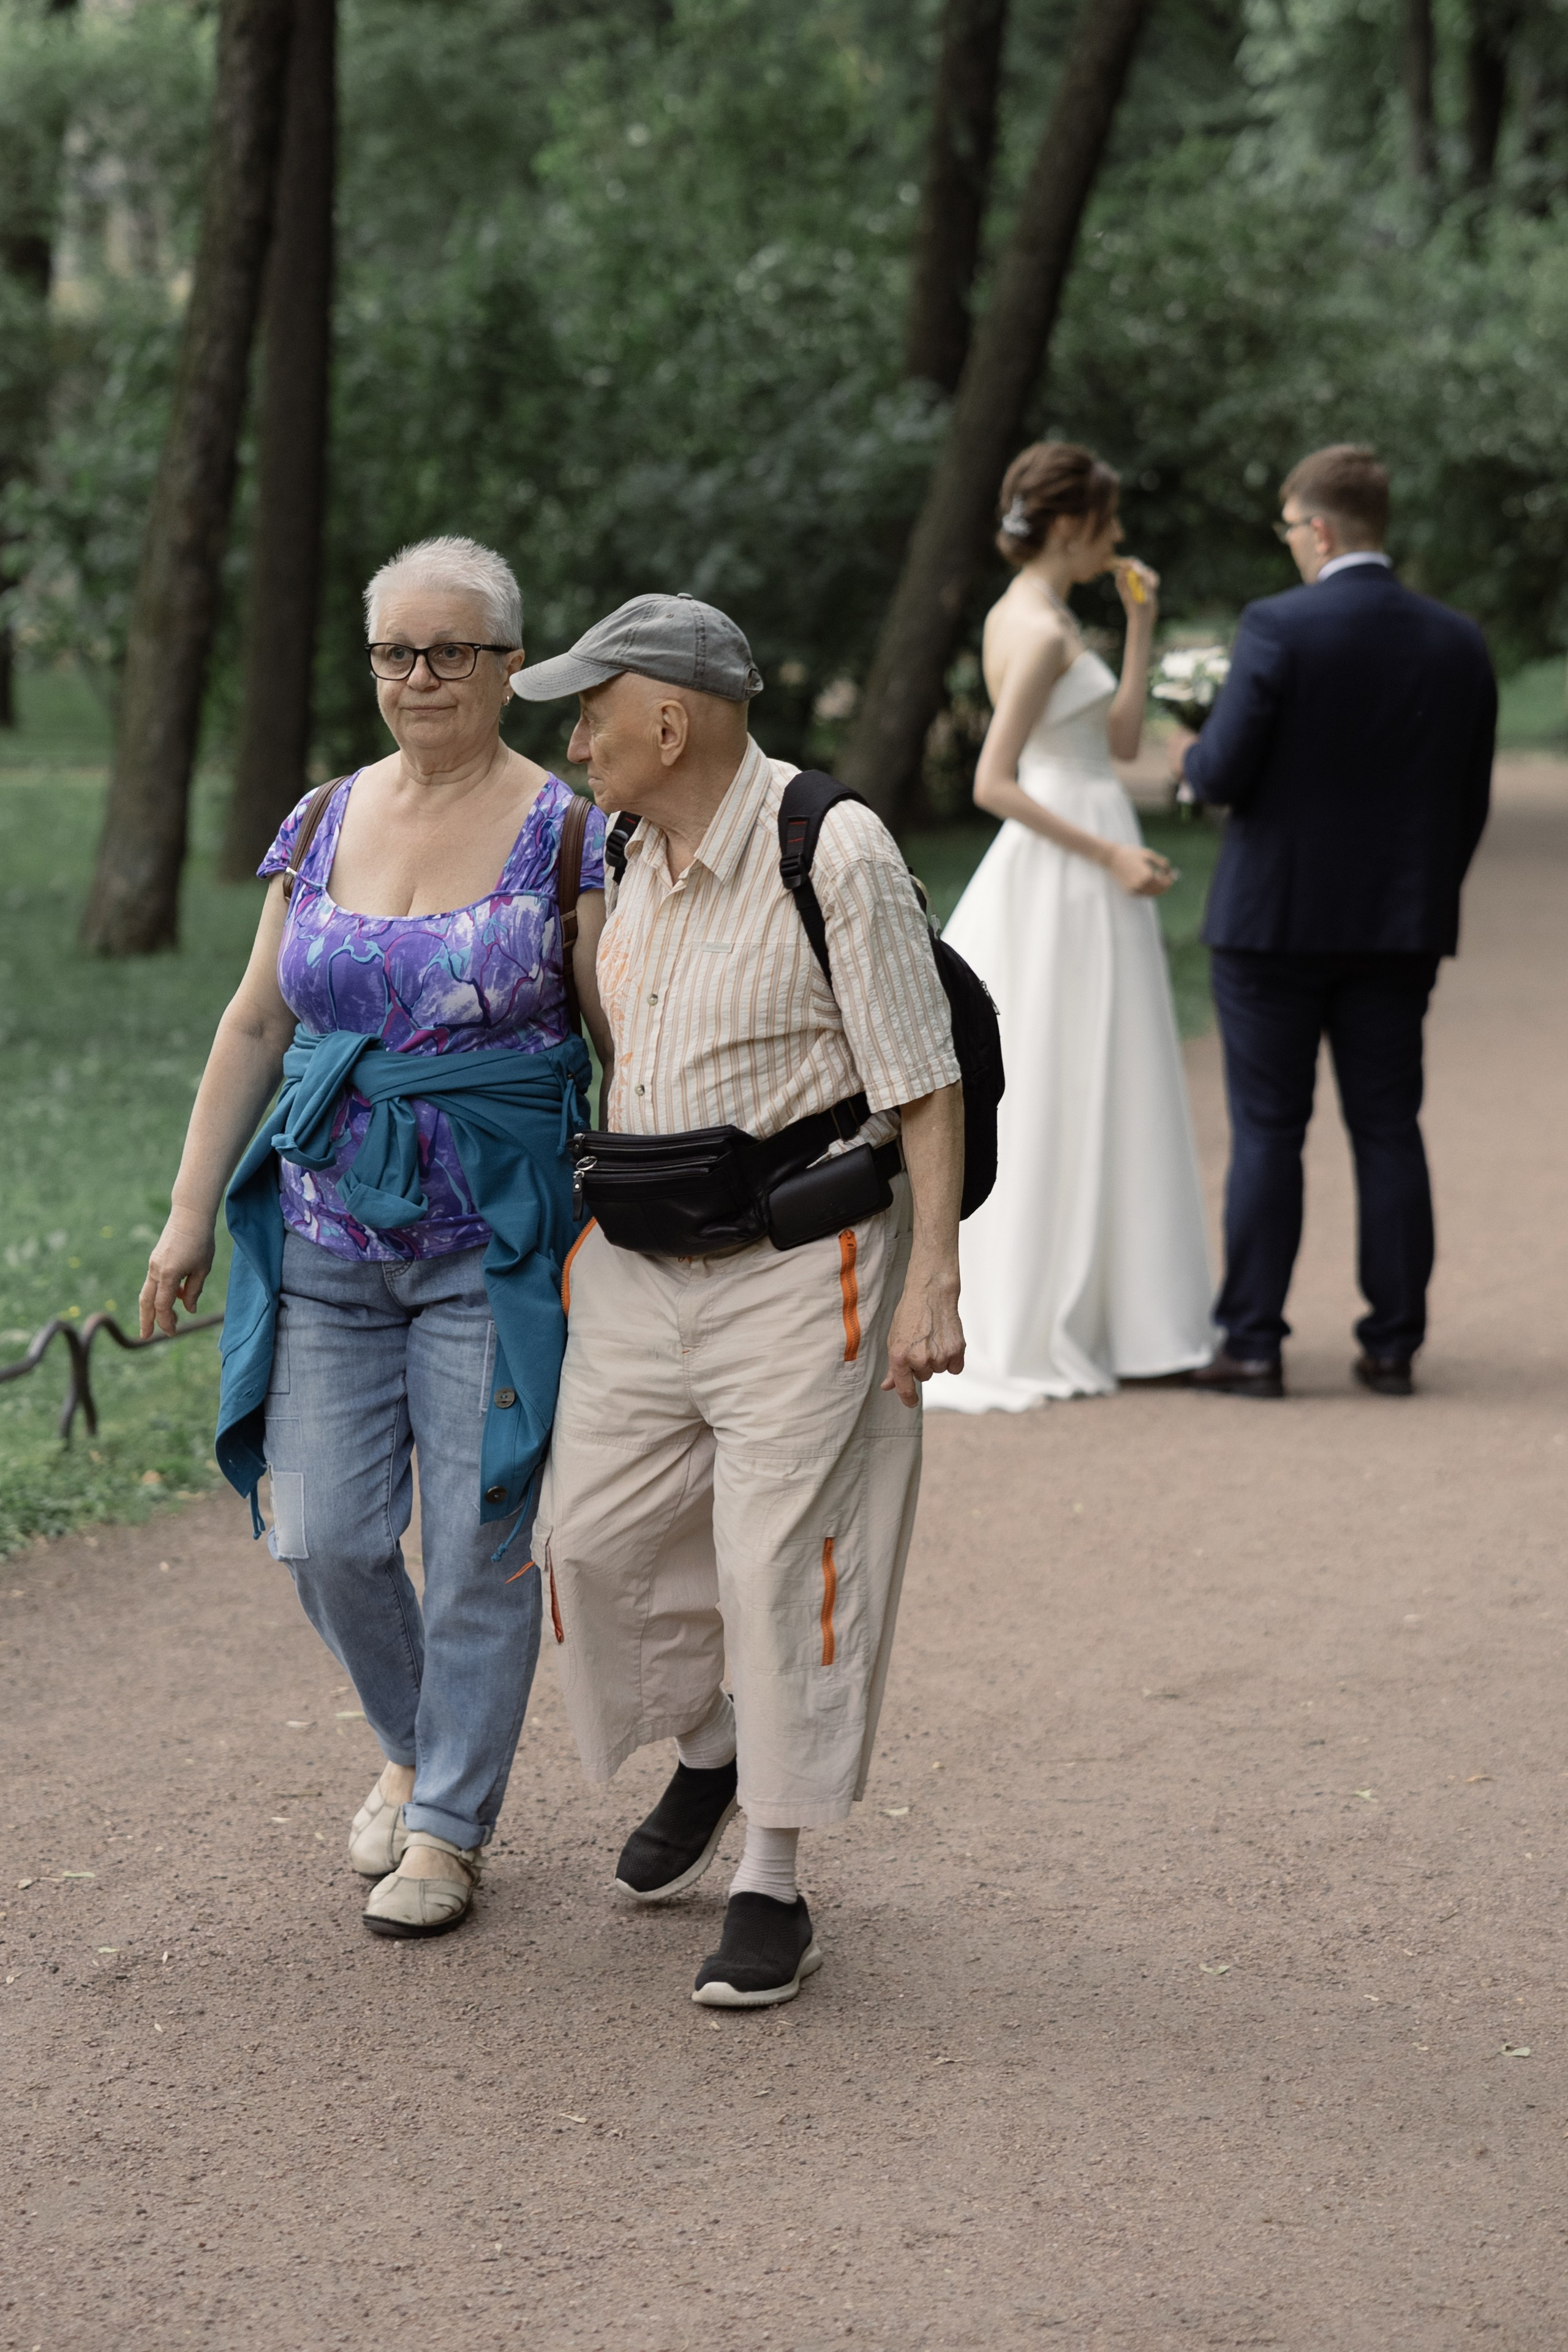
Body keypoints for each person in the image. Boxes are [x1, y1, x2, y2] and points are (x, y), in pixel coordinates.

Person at [139, 535, 612, 1937]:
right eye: (396, 652)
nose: (419, 676)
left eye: (450, 652)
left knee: (478, 1544)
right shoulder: (320, 816)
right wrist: (184, 1217)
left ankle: (449, 1828)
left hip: (495, 1242)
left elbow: (614, 1036)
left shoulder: (566, 830)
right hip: (324, 1232)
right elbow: (255, 1020)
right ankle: (414, 1748)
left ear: (509, 668)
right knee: (326, 1534)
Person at [513, 591, 965, 2008]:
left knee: (782, 1561)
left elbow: (923, 1082)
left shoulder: (832, 846)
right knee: (584, 1541)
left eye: (592, 708)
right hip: (646, 1265)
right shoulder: (621, 853)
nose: (575, 736)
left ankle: (771, 1874)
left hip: (799, 1268)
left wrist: (930, 1284)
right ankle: (711, 1745)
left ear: (671, 716)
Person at [1177, 445, 1496, 1398]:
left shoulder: (1277, 627)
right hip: (1398, 928)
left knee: (1270, 1130)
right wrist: (1423, 893)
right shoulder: (1457, 641)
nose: (1289, 547)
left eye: (1288, 529)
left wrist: (1190, 759)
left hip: (1271, 924)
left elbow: (1223, 774)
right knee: (1389, 1127)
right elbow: (1467, 802)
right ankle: (1393, 1345)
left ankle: (1255, 1344)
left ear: (1318, 528)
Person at [924, 442, 1216, 1412]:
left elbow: (1122, 742)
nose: (1121, 537)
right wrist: (1110, 855)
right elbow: (993, 782)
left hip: (1089, 848)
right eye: (1109, 522)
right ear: (1069, 526)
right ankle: (1059, 1309)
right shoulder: (1038, 630)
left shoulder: (1048, 618)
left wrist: (1140, 625)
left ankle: (1128, 1312)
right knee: (1063, 1073)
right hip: (1071, 862)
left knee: (1110, 1074)